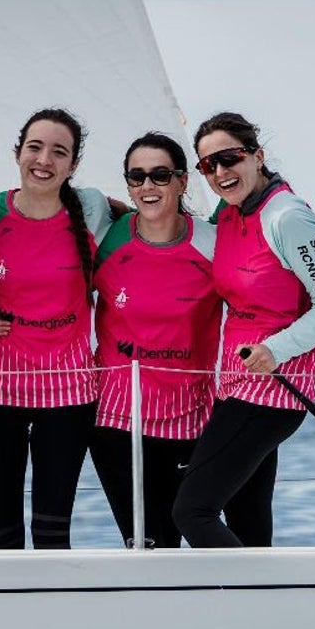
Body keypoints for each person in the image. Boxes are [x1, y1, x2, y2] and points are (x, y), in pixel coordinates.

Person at [173, 111, 315, 548]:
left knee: (191, 512)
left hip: (270, 394)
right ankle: (265, 611)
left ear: (257, 155)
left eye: (229, 158)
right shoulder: (231, 216)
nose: (220, 172)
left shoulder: (288, 217)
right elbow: (271, 304)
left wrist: (278, 352)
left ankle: (258, 607)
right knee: (248, 526)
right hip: (237, 386)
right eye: (207, 165)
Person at [0, 108, 115, 549]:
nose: (44, 159)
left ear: (73, 165)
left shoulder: (91, 210)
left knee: (53, 536)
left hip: (68, 393)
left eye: (58, 151)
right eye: (35, 147)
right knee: (0, 537)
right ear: (18, 153)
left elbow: (147, 236)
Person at [89, 132, 221, 549]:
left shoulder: (212, 243)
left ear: (182, 182)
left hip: (191, 418)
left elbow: (258, 310)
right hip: (116, 419)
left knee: (185, 537)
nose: (148, 186)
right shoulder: (108, 238)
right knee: (143, 544)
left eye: (160, 176)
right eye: (137, 177)